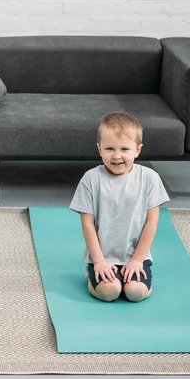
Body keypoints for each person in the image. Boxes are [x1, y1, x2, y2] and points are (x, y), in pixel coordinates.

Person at [69, 112, 169, 302]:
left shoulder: (149, 178)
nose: (117, 156)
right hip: (103, 256)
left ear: (137, 150)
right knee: (110, 293)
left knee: (135, 293)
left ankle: (133, 277)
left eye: (124, 148)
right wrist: (98, 262)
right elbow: (87, 224)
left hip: (135, 255)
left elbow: (151, 223)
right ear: (99, 149)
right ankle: (92, 276)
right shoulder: (91, 179)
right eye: (109, 148)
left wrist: (137, 260)